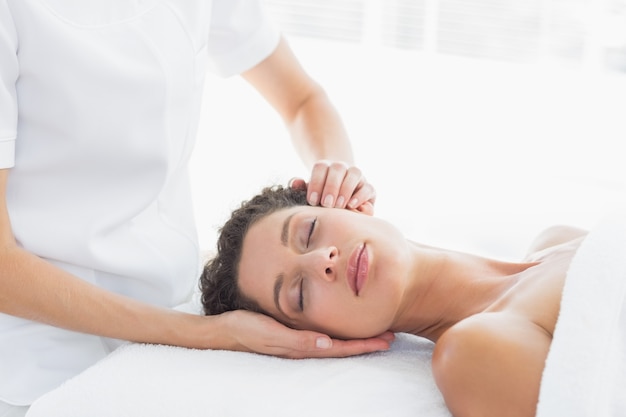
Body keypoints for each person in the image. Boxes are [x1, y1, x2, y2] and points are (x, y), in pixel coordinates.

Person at [0, 1, 394, 412]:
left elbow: (302, 99)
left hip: (174, 322)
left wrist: (337, 185)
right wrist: (211, 334)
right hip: (42, 355)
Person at [200, 184, 589, 417]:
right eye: (298, 294)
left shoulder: (556, 240)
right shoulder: (473, 352)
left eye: (309, 231)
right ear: (323, 339)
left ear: (349, 204)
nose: (322, 262)